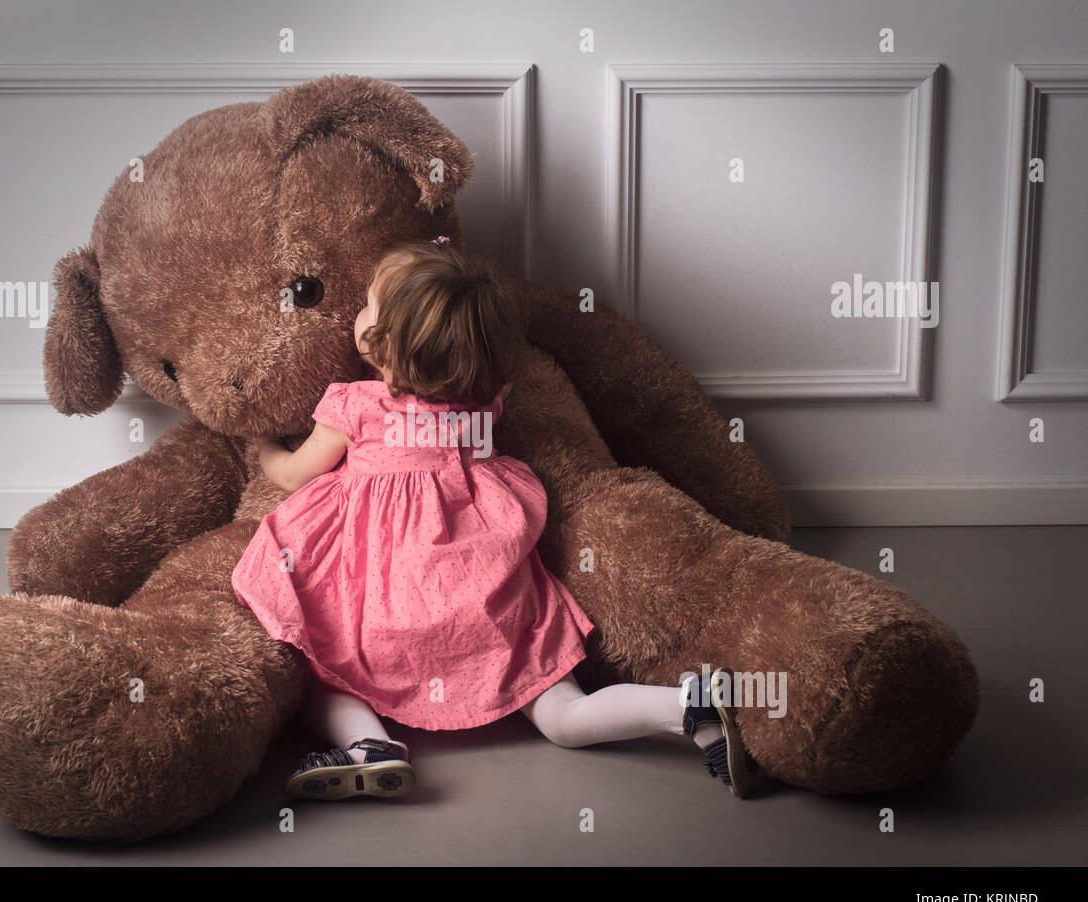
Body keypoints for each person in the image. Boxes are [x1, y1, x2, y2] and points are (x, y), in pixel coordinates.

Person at [230, 236, 760, 801]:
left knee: (318, 658)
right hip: (483, 600)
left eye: (369, 306)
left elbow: (293, 475)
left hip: (385, 600)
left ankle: (368, 744)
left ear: (382, 347)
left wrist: (259, 444)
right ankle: (686, 705)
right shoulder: (483, 407)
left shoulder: (355, 405)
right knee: (563, 716)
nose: (358, 314)